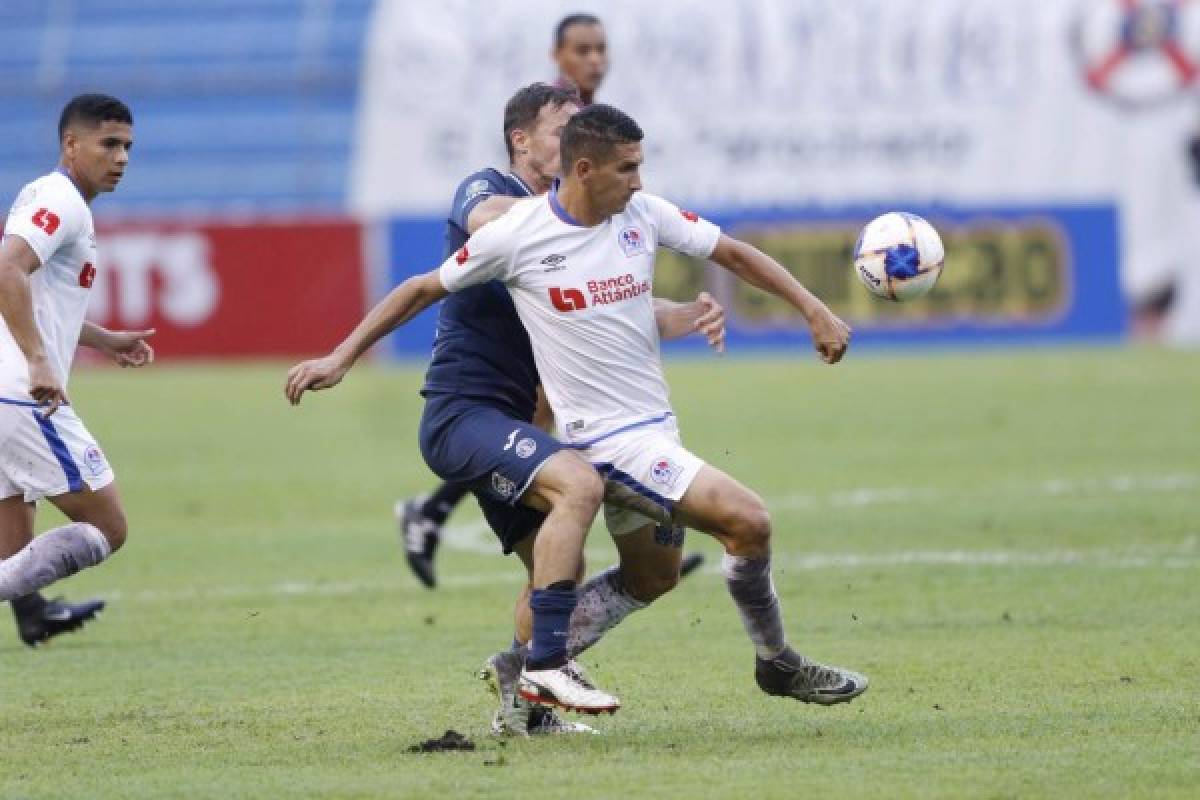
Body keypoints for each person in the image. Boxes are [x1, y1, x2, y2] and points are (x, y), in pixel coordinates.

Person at [288, 103, 869, 716]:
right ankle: (770, 663)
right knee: (748, 521)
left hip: (656, 433)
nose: (639, 182)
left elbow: (734, 254)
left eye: (640, 167)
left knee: (653, 575)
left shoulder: (643, 214)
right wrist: (341, 357)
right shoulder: (520, 236)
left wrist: (814, 309)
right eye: (627, 169)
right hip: (608, 444)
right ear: (585, 169)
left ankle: (520, 673)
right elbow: (422, 288)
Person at [395, 37, 703, 590]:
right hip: (473, 408)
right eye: (561, 134)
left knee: (559, 562)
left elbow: (608, 301)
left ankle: (539, 660)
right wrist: (568, 215)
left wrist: (678, 313)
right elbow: (486, 220)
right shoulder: (493, 190)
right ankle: (438, 515)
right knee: (572, 477)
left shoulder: (581, 213)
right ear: (521, 141)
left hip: (523, 401)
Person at [0, 94, 155, 646]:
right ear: (72, 144)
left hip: (5, 393)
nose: (121, 158)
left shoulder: (54, 200)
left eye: (128, 147)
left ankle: (34, 616)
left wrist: (103, 338)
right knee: (108, 529)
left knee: (13, 535)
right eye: (109, 144)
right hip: (23, 395)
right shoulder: (61, 201)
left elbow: (31, 292)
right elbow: (7, 269)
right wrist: (40, 360)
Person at [552, 13, 608, 106]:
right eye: (582, 51)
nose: (595, 60)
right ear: (556, 54)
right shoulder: (544, 115)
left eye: (601, 50)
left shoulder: (603, 115)